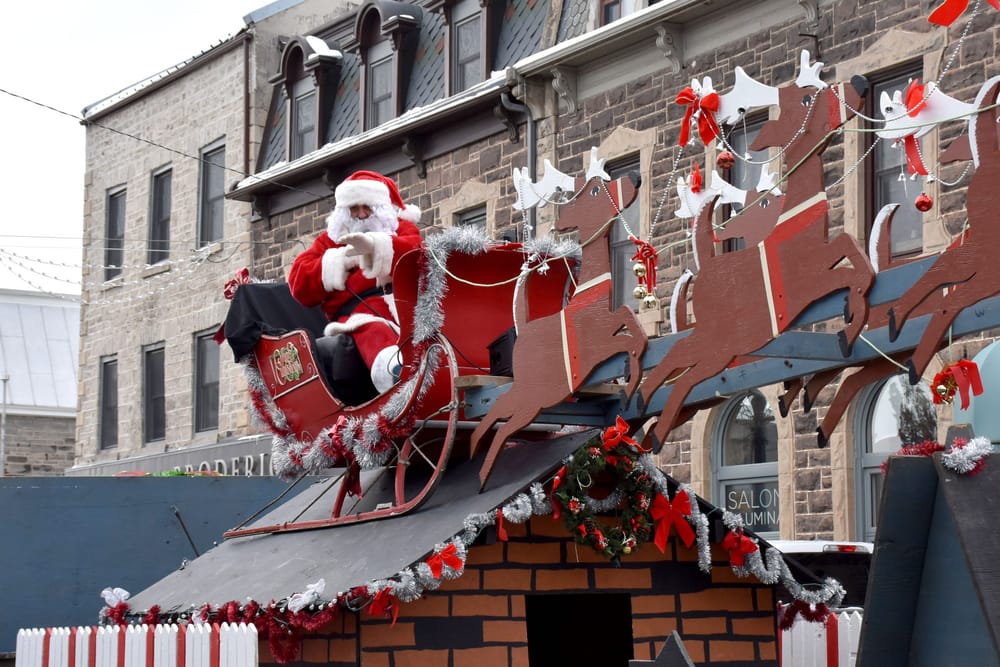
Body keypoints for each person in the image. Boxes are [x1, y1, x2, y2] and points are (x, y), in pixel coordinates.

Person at [288, 171, 422, 396]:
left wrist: (375, 247)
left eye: (367, 207)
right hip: (356, 315)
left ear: (380, 208)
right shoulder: (331, 239)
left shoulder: (400, 229)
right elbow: (299, 283)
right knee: (374, 331)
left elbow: (416, 254)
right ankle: (394, 372)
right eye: (354, 208)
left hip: (405, 307)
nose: (361, 215)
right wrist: (341, 260)